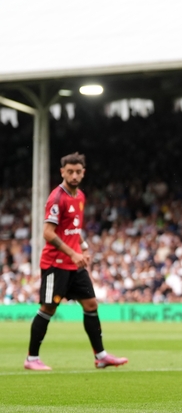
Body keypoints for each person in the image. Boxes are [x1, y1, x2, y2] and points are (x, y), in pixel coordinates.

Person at [25, 152, 128, 371]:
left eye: (77, 172)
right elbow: (48, 232)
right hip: (55, 263)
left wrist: (83, 247)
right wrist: (72, 253)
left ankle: (101, 356)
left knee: (91, 304)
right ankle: (32, 359)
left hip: (74, 263)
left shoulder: (79, 196)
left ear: (83, 173)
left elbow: (72, 228)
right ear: (62, 172)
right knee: (48, 308)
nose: (73, 175)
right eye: (69, 171)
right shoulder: (57, 198)